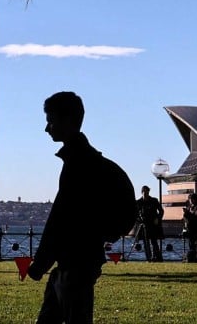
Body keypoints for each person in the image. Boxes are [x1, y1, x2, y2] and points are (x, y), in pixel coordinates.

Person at [27, 91, 126, 324]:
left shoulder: (78, 166)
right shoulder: (88, 161)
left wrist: (40, 264)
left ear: (68, 121)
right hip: (79, 260)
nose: (47, 128)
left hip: (76, 262)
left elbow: (60, 219)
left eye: (50, 121)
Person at [135, 185, 164, 262]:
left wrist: (158, 218)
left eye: (147, 192)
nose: (146, 194)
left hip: (153, 224)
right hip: (144, 225)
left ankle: (157, 258)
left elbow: (161, 211)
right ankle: (149, 258)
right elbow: (135, 214)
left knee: (154, 242)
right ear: (142, 192)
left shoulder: (154, 200)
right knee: (146, 243)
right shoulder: (138, 202)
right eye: (144, 192)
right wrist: (140, 221)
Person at [182, 192, 197, 263]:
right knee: (191, 244)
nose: (190, 201)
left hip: (196, 229)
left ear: (194, 199)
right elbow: (187, 218)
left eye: (191, 199)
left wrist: (188, 213)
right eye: (189, 199)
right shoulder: (190, 207)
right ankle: (192, 259)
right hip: (190, 229)